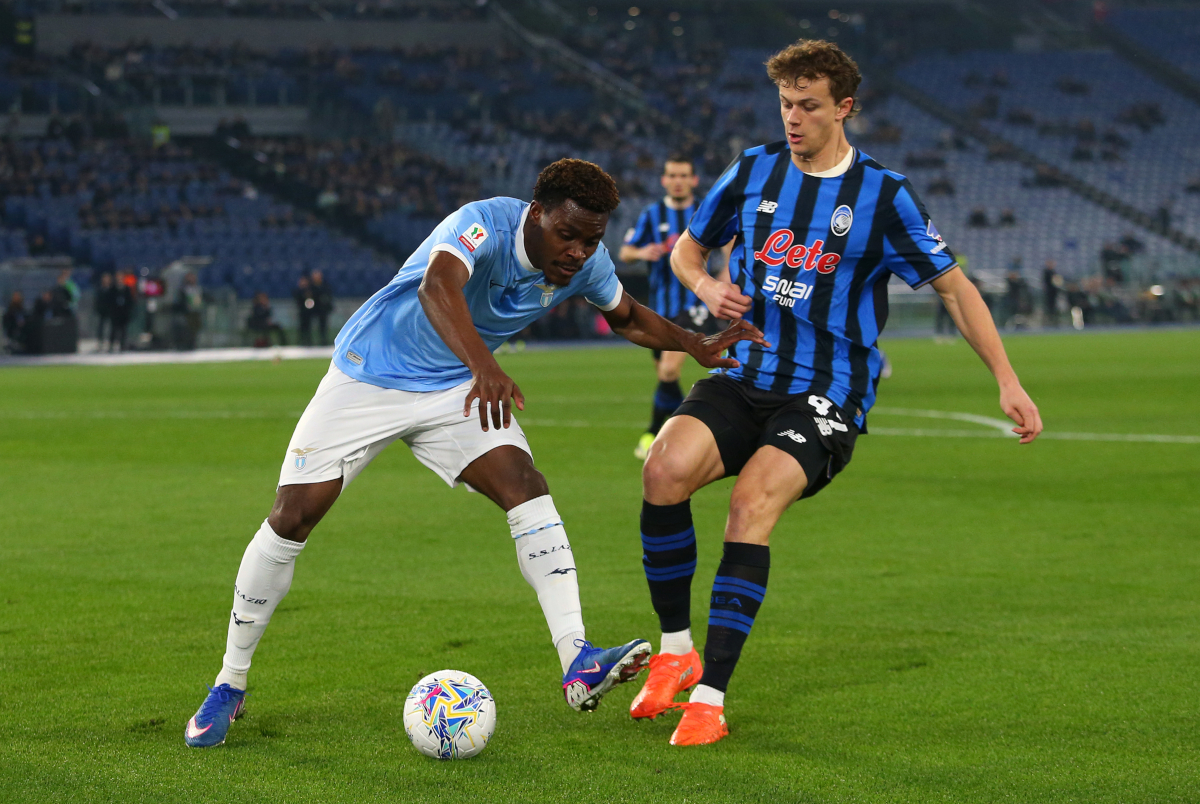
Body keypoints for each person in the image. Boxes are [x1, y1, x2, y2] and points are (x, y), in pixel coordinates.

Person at [184, 158, 764, 748]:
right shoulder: (482, 224)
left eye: (591, 240)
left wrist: (694, 343)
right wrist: (484, 363)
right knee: (292, 517)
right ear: (536, 215)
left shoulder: (586, 263)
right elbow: (439, 285)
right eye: (567, 235)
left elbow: (627, 315)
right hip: (369, 377)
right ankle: (229, 685)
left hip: (453, 388)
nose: (578, 252)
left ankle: (578, 659)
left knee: (525, 484)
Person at [629, 40, 1043, 747]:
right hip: (746, 372)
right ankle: (675, 651)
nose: (793, 118)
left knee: (750, 500)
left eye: (809, 106)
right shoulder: (755, 169)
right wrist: (704, 287)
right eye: (786, 103)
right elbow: (686, 251)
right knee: (662, 470)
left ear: (843, 108)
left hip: (827, 390)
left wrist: (1006, 379)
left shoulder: (884, 195)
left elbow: (954, 287)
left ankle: (711, 696)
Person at [619, 155, 729, 460]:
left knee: (669, 370)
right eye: (672, 175)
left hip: (694, 305)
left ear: (693, 180)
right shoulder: (652, 214)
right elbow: (625, 252)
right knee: (665, 377)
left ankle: (655, 435)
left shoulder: (704, 211)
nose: (677, 180)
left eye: (683, 175)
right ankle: (675, 431)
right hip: (661, 308)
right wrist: (642, 251)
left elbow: (731, 238)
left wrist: (725, 272)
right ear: (664, 180)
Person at [108, 270, 136, 352]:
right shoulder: (112, 289)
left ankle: (122, 345)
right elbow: (110, 301)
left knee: (124, 330)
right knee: (114, 330)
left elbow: (130, 301)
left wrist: (128, 310)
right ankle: (111, 345)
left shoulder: (126, 288)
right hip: (115, 313)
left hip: (124, 313)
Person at [311, 270, 334, 345]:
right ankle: (310, 340)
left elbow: (328, 296)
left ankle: (324, 340)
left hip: (323, 309)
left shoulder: (325, 285)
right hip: (314, 309)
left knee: (323, 325)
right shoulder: (311, 286)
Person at [293, 275, 316, 346]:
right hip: (302, 311)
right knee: (302, 327)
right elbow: (297, 298)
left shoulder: (310, 289)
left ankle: (309, 341)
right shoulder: (299, 290)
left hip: (308, 312)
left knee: (308, 327)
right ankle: (301, 341)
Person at [95, 273, 113, 345]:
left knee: (111, 327)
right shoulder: (99, 289)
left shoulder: (112, 289)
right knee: (101, 327)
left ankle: (111, 342)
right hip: (102, 312)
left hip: (110, 311)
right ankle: (100, 342)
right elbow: (97, 301)